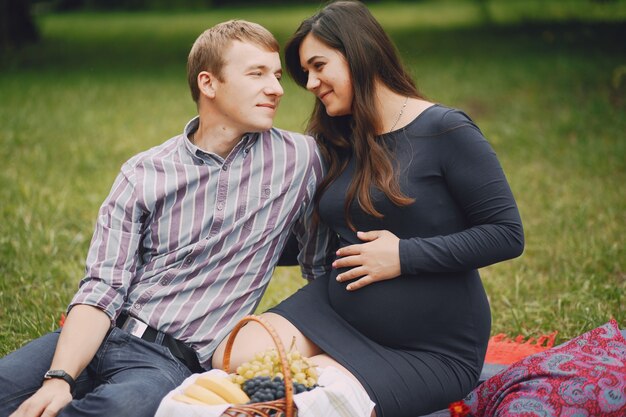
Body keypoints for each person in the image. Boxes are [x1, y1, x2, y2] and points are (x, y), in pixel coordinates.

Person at [0, 20, 334, 417]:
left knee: (119, 409)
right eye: (257, 74)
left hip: (168, 362)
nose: (277, 88)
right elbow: (102, 287)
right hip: (100, 332)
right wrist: (59, 377)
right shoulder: (143, 172)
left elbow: (317, 267)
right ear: (208, 84)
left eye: (277, 75)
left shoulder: (300, 160)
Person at [211, 2, 525, 417]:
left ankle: (333, 373)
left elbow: (506, 233)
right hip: (336, 311)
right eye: (305, 72)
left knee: (310, 402)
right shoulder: (339, 139)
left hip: (430, 343)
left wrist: (403, 256)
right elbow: (310, 237)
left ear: (357, 52)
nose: (310, 83)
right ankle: (328, 369)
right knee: (230, 357)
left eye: (319, 66)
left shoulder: (446, 131)